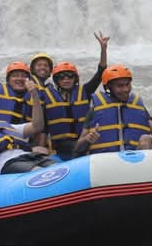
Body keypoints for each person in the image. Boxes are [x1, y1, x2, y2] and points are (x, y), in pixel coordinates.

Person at [76, 64, 152, 155]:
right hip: (106, 161)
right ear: (108, 88)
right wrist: (87, 139)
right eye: (120, 86)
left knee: (146, 138)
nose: (125, 89)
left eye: (127, 84)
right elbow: (78, 147)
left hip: (133, 160)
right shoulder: (95, 108)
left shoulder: (138, 105)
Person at [38, 32, 110, 160]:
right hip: (61, 147)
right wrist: (41, 147)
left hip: (85, 142)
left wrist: (103, 49)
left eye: (70, 76)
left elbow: (101, 72)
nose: (66, 79)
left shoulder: (85, 91)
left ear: (75, 78)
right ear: (56, 80)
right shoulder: (46, 96)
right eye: (61, 77)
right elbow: (44, 127)